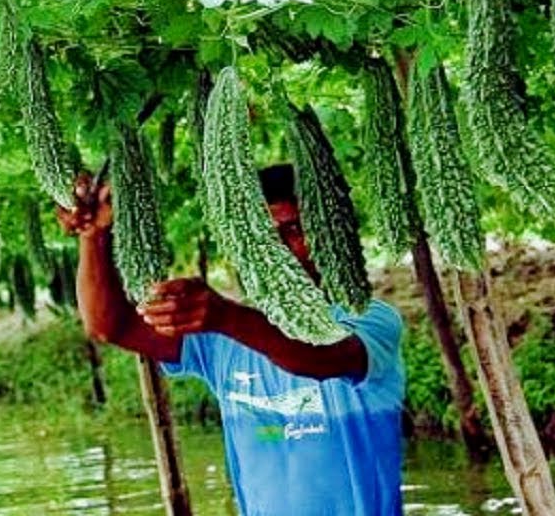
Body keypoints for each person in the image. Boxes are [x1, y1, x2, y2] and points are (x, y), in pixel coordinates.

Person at [58, 163, 405, 516]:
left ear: (330, 236)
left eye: (294, 229)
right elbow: (110, 326)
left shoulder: (370, 318)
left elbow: (319, 359)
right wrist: (94, 236)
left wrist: (227, 317)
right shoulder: (223, 339)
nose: (279, 250)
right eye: (266, 239)